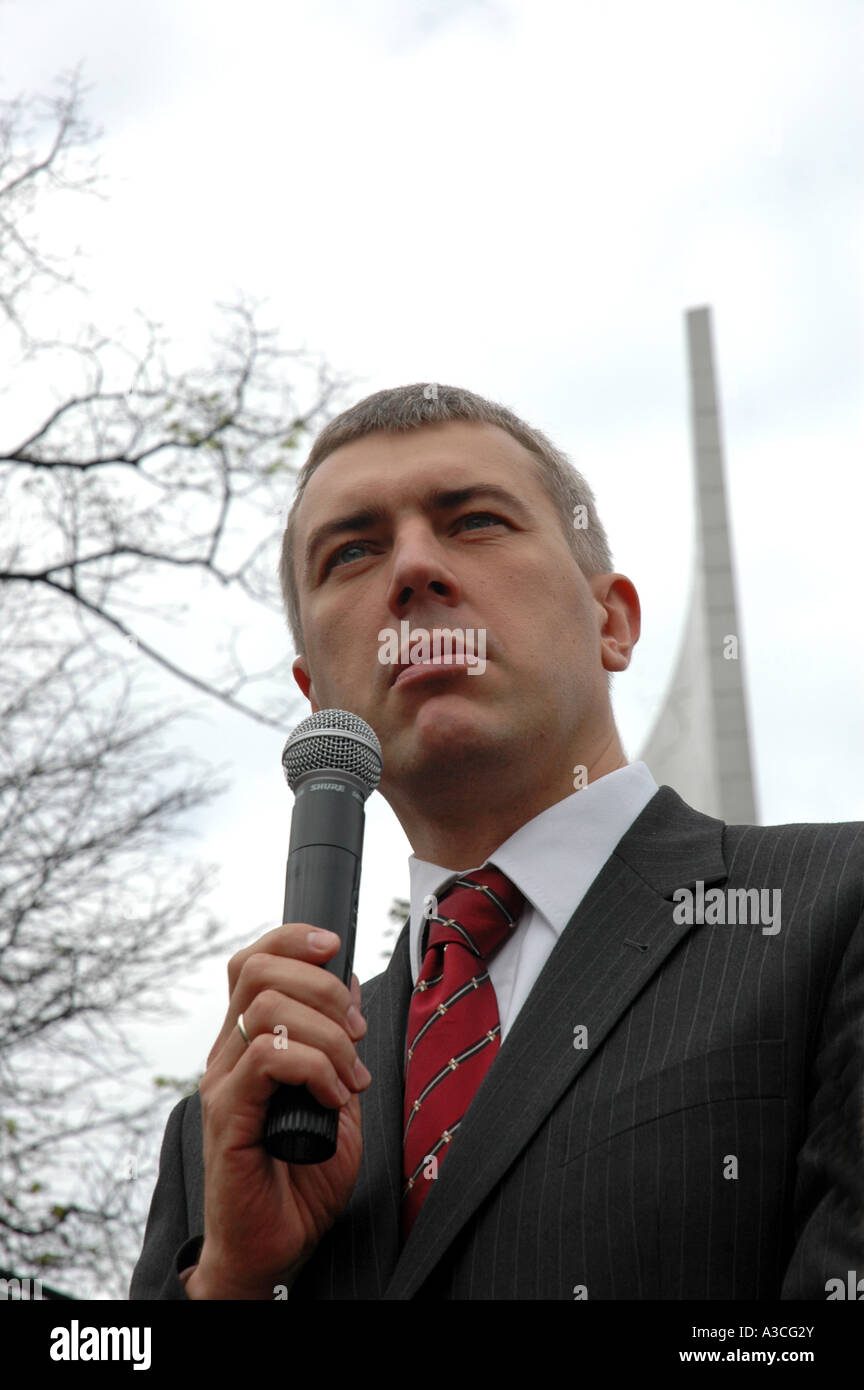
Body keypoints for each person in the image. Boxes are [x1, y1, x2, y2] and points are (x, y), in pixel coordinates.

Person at [130, 384, 864, 1300]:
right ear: (315, 693)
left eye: (473, 521)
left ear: (613, 621)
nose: (412, 570)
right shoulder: (236, 1120)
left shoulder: (835, 912)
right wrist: (233, 1282)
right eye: (353, 550)